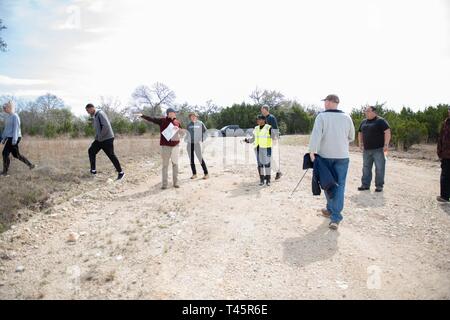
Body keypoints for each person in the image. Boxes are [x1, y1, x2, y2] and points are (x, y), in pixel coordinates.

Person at [308, 94, 355, 230]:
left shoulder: (322, 117)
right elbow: (351, 137)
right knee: (339, 185)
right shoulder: (347, 117)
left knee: (327, 183)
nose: (325, 104)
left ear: (330, 102)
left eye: (326, 101)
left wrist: (312, 152)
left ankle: (335, 217)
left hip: (325, 157)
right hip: (342, 156)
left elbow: (316, 135)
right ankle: (330, 210)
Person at [138, 108, 182, 189]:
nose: (175, 113)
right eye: (173, 112)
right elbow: (152, 119)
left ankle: (176, 183)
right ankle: (164, 184)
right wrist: (142, 116)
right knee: (165, 165)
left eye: (175, 112)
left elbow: (180, 131)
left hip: (175, 146)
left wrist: (179, 133)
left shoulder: (177, 122)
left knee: (175, 164)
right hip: (165, 147)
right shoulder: (162, 120)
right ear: (169, 113)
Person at [85, 103, 124, 180]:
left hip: (107, 139)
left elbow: (106, 126)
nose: (87, 112)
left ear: (91, 108)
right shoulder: (95, 115)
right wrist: (97, 137)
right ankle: (93, 171)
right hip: (100, 139)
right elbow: (99, 128)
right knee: (91, 150)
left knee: (111, 155)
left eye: (87, 110)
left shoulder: (100, 113)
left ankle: (121, 172)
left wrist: (100, 137)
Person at [357, 106, 391, 192]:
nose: (366, 113)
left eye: (368, 111)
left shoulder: (381, 121)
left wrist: (386, 144)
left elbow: (387, 132)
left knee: (380, 168)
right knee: (366, 168)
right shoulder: (363, 122)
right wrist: (360, 143)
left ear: (374, 112)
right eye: (365, 111)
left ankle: (379, 186)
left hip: (379, 149)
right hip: (366, 150)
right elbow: (360, 132)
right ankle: (365, 185)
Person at [1, 101, 35, 176]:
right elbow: (7, 129)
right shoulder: (8, 117)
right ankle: (31, 165)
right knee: (16, 155)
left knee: (5, 153)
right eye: (3, 108)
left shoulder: (15, 116)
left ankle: (5, 172)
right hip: (10, 137)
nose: (4, 109)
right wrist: (3, 139)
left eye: (5, 108)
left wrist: (14, 140)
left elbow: (16, 129)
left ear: (10, 108)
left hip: (15, 137)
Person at [244, 114, 273, 186]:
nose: (257, 120)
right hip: (257, 148)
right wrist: (247, 140)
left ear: (263, 120)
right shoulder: (256, 128)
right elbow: (253, 139)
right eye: (257, 119)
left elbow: (274, 136)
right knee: (259, 164)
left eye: (259, 119)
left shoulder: (268, 127)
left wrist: (276, 136)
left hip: (266, 148)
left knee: (267, 164)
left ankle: (268, 180)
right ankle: (262, 180)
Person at [261, 105, 282, 180]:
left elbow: (275, 129)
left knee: (269, 157)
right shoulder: (263, 118)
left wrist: (275, 139)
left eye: (262, 110)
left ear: (266, 110)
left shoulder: (271, 118)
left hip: (270, 140)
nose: (261, 111)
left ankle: (276, 172)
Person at [185, 112, 209, 180]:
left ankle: (206, 173)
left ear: (196, 117)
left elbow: (206, 132)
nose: (193, 117)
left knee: (200, 158)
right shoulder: (189, 125)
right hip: (189, 144)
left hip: (196, 143)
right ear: (190, 117)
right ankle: (194, 174)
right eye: (191, 116)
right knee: (191, 159)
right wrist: (186, 139)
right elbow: (187, 134)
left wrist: (202, 139)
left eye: (194, 116)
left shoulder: (200, 123)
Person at [437, 106, 450, 203]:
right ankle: (444, 196)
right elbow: (440, 138)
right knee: (445, 175)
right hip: (446, 155)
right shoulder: (445, 123)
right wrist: (439, 151)